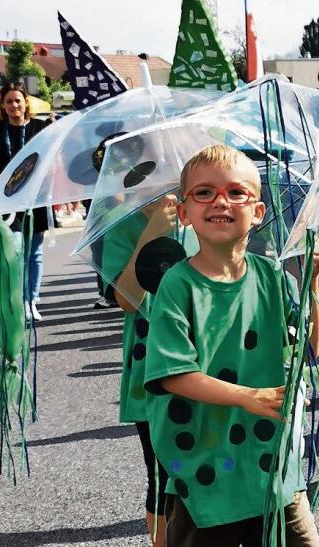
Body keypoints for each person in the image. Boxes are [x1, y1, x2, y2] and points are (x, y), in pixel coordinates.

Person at [144, 145, 319, 546]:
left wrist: (313, 290)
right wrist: (248, 396)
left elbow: (309, 349)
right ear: (185, 213)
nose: (220, 201)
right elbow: (172, 373)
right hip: (205, 467)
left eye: (236, 192)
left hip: (270, 461)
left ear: (258, 212)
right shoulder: (177, 284)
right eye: (204, 192)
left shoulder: (272, 277)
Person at [101, 194, 187, 547]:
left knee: (206, 469)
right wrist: (151, 232)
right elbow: (125, 299)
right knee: (163, 474)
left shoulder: (198, 214)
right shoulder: (121, 223)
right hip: (151, 369)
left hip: (205, 359)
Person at [0, 82, 50, 321]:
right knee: (15, 252)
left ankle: (31, 301)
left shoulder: (41, 128)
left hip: (35, 198)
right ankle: (17, 303)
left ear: (25, 102)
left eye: (17, 100)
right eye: (9, 101)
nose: (14, 105)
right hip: (7, 202)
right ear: (3, 105)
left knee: (35, 252)